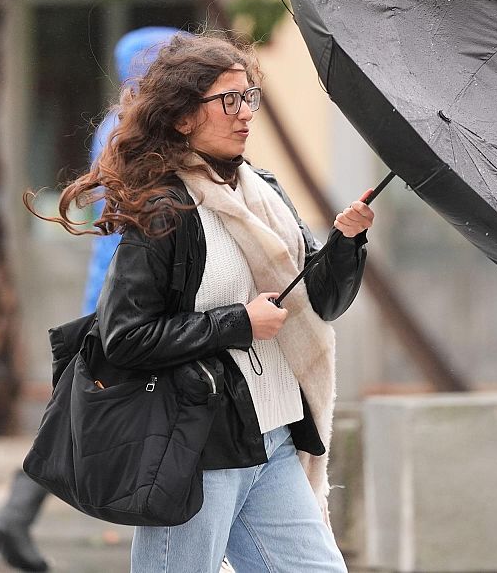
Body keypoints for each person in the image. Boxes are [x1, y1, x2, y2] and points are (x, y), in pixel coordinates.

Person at [36, 31, 375, 572]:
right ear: (182, 116)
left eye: (249, 97)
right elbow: (124, 336)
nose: (244, 114)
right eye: (228, 100)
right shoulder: (165, 209)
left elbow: (319, 302)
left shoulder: (262, 194)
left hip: (273, 435)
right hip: (194, 446)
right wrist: (237, 322)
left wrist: (346, 242)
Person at [0, 25, 183, 572]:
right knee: (91, 410)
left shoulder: (115, 129)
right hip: (130, 294)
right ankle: (18, 515)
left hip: (108, 288)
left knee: (78, 406)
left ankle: (15, 515)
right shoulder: (143, 134)